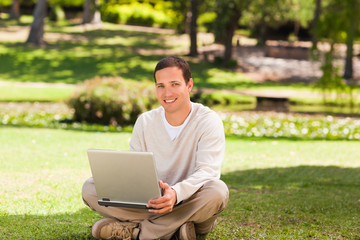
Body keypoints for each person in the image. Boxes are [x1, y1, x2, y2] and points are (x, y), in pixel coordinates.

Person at [82, 56, 229, 240]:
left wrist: (175, 194)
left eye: (175, 84)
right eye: (161, 86)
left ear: (189, 85)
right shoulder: (145, 121)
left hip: (190, 199)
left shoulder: (207, 121)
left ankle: (136, 232)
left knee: (217, 191)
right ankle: (177, 229)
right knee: (90, 187)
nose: (167, 93)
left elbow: (208, 172)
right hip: (151, 202)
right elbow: (136, 172)